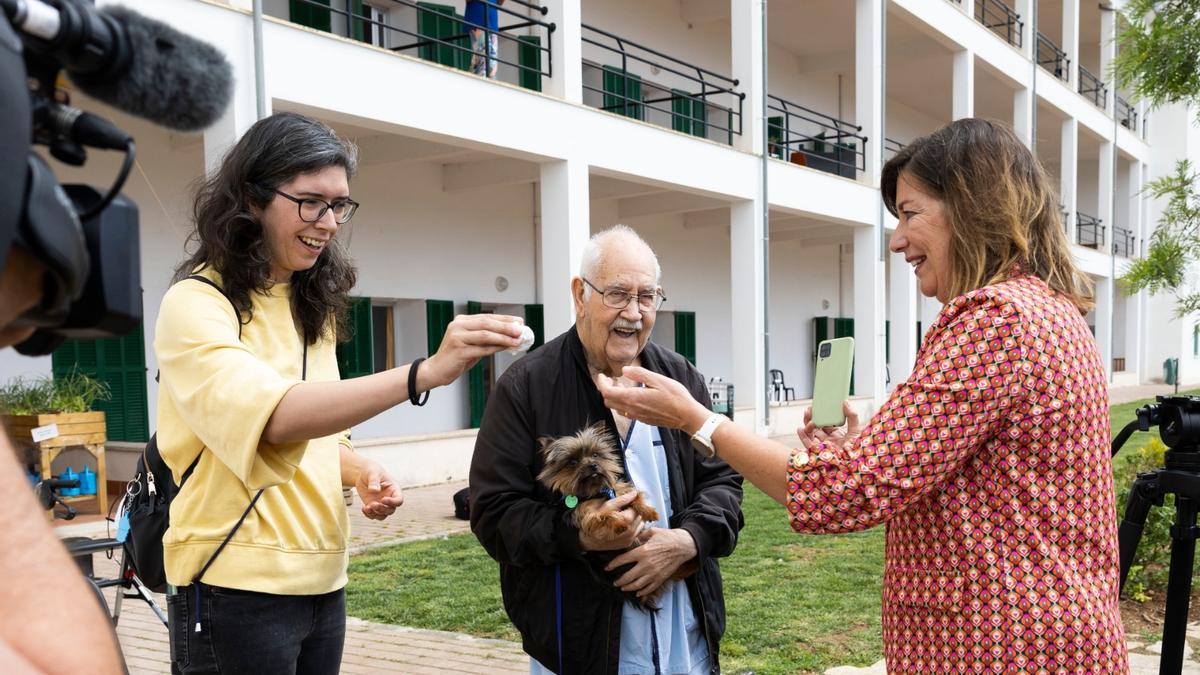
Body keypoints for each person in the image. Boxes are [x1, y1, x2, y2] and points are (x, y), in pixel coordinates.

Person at [597, 119, 1128, 672]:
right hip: (1056, 636)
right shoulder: (1050, 310)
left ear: (971, 207)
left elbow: (842, 494)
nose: (897, 240)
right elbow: (943, 476)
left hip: (1003, 649)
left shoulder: (993, 320)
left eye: (910, 212)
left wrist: (697, 421)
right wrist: (858, 448)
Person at [155, 111, 526, 673]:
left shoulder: (311, 307)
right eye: (311, 201)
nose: (329, 222)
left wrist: (359, 471)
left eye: (339, 205)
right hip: (231, 582)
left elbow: (321, 433)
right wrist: (422, 373)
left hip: (324, 578)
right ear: (251, 199)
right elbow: (275, 418)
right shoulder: (196, 304)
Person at [470, 225, 744, 675]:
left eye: (647, 296)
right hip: (579, 648)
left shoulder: (681, 379)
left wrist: (687, 541)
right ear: (580, 294)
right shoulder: (526, 388)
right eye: (618, 294)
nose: (634, 313)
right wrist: (578, 532)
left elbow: (722, 480)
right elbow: (494, 513)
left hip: (685, 643)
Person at [465, 0, 505, 79]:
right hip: (477, 20)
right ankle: (478, 83)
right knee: (482, 58)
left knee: (492, 63)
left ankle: (489, 85)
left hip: (492, 22)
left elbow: (499, 2)